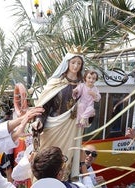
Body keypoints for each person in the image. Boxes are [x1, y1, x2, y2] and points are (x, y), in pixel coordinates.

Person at [31, 49, 86, 178]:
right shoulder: (55, 83)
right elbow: (44, 105)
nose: (76, 66)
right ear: (67, 63)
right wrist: (39, 120)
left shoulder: (83, 86)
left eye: (79, 63)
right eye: (73, 62)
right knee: (46, 157)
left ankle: (61, 181)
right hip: (53, 126)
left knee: (64, 158)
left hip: (71, 127)